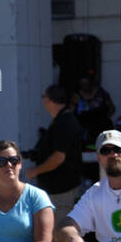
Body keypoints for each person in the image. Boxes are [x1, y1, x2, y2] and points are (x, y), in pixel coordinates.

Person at [26, 84, 85, 215]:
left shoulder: (64, 122)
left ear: (48, 99)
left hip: (61, 190)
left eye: (44, 97)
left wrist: (35, 171)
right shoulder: (61, 120)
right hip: (57, 189)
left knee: (60, 232)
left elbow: (58, 157)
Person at [73, 75, 116, 148]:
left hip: (101, 127)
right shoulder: (76, 96)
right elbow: (72, 111)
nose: (84, 86)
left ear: (91, 83)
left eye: (87, 84)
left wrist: (104, 119)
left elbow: (112, 109)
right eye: (82, 84)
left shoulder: (101, 93)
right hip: (84, 128)